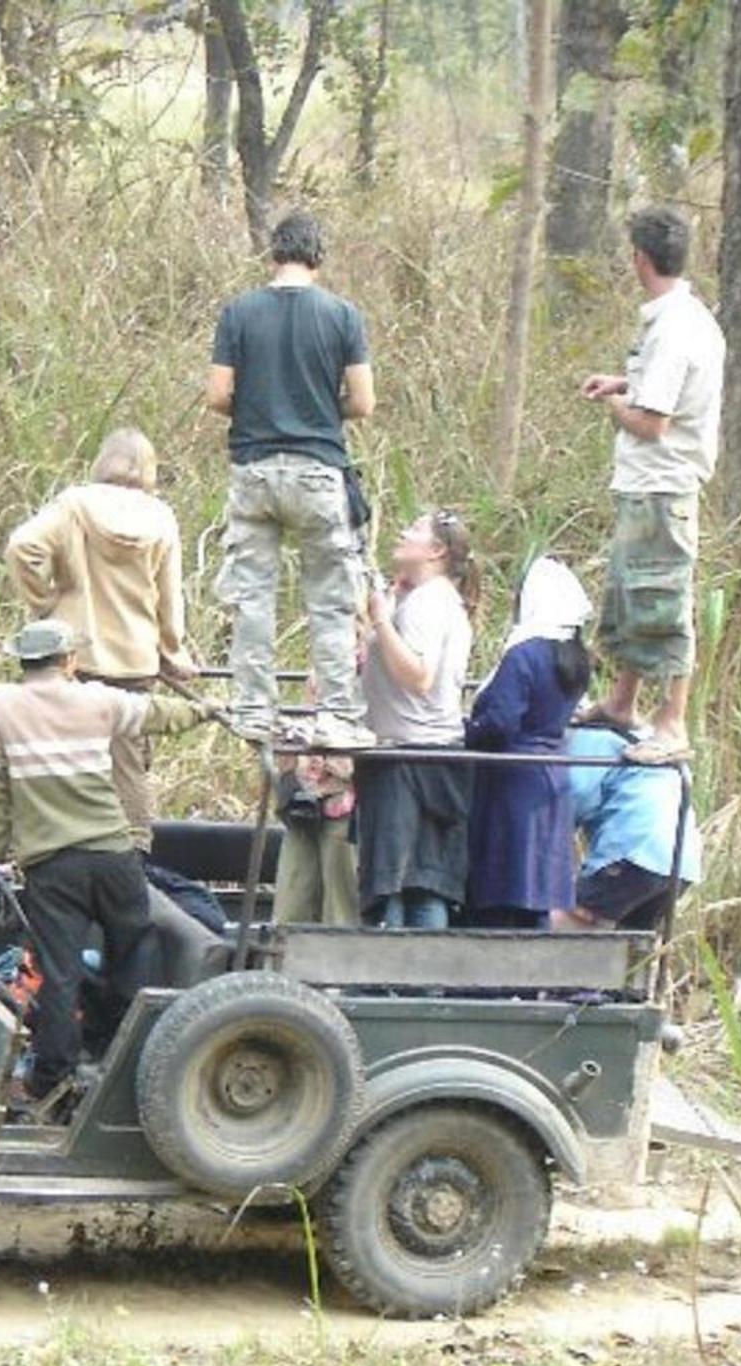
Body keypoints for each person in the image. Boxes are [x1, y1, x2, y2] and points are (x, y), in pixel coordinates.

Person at [0, 620, 210, 1106]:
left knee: (60, 972)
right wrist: (206, 709)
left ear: (23, 660)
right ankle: (129, 1058)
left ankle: (50, 1077)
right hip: (113, 854)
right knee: (134, 949)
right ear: (68, 661)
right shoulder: (98, 700)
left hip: (52, 864)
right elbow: (159, 714)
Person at [205, 209, 377, 747]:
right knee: (329, 598)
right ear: (317, 258)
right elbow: (365, 402)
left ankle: (253, 708)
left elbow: (216, 396)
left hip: (253, 469)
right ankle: (335, 714)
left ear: (273, 255)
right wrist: (324, 410)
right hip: (318, 470)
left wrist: (257, 406)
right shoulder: (343, 316)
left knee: (252, 597)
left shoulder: (238, 313)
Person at [578, 206, 726, 766]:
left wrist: (615, 402)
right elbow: (667, 390)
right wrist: (624, 381)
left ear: (640, 257)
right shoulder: (680, 317)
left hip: (664, 486)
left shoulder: (675, 331)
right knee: (629, 594)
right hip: (646, 486)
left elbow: (652, 422)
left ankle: (672, 721)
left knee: (663, 600)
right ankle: (621, 701)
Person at [5, 427, 196, 851]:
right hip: (135, 662)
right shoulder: (160, 516)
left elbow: (22, 547)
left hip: (78, 657)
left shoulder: (74, 505)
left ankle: (65, 844)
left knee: (66, 757)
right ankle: (133, 851)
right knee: (128, 766)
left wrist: (47, 603)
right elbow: (169, 596)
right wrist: (172, 648)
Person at [355, 510, 479, 929]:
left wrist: (379, 620)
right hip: (416, 753)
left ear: (436, 551)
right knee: (416, 881)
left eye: (414, 530)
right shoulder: (429, 599)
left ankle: (401, 985)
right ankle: (414, 984)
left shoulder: (430, 602)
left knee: (401, 882)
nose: (402, 531)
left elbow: (418, 676)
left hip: (411, 757)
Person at [462, 558, 593, 929]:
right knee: (536, 888)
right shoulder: (575, 658)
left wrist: (467, 734)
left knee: (501, 883)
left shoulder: (524, 654)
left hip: (511, 780)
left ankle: (489, 982)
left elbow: (501, 721)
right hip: (553, 776)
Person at [554, 722, 702, 932]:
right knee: (632, 942)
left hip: (634, 853)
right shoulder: (647, 734)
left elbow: (577, 795)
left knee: (563, 924)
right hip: (682, 862)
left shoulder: (593, 734)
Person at [271, 747, 358, 926]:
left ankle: (339, 949)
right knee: (292, 905)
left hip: (344, 801)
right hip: (299, 803)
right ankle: (290, 948)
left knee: (341, 909)